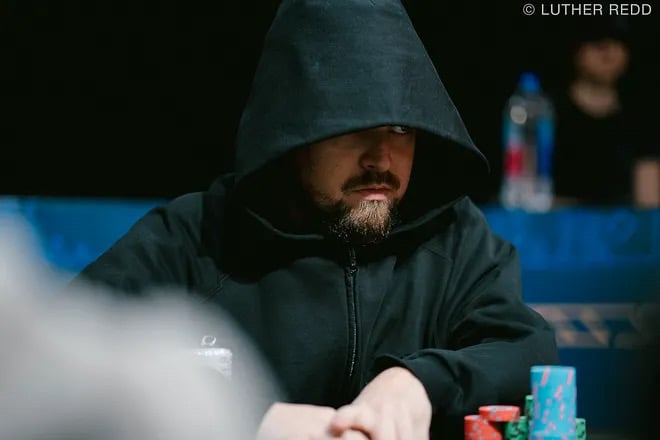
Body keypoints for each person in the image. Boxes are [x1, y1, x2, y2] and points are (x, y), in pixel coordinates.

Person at [73, 1, 559, 438]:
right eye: (351, 127)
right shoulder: (196, 235)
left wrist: (416, 383)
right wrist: (250, 421)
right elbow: (68, 357)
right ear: (295, 131)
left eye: (399, 128)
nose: (380, 158)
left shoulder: (453, 235)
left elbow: (526, 349)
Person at [552, 17, 656, 206]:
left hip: (624, 223)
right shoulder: (546, 113)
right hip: (558, 222)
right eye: (598, 44)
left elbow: (649, 202)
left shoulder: (639, 119)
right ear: (578, 51)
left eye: (617, 43)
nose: (608, 54)